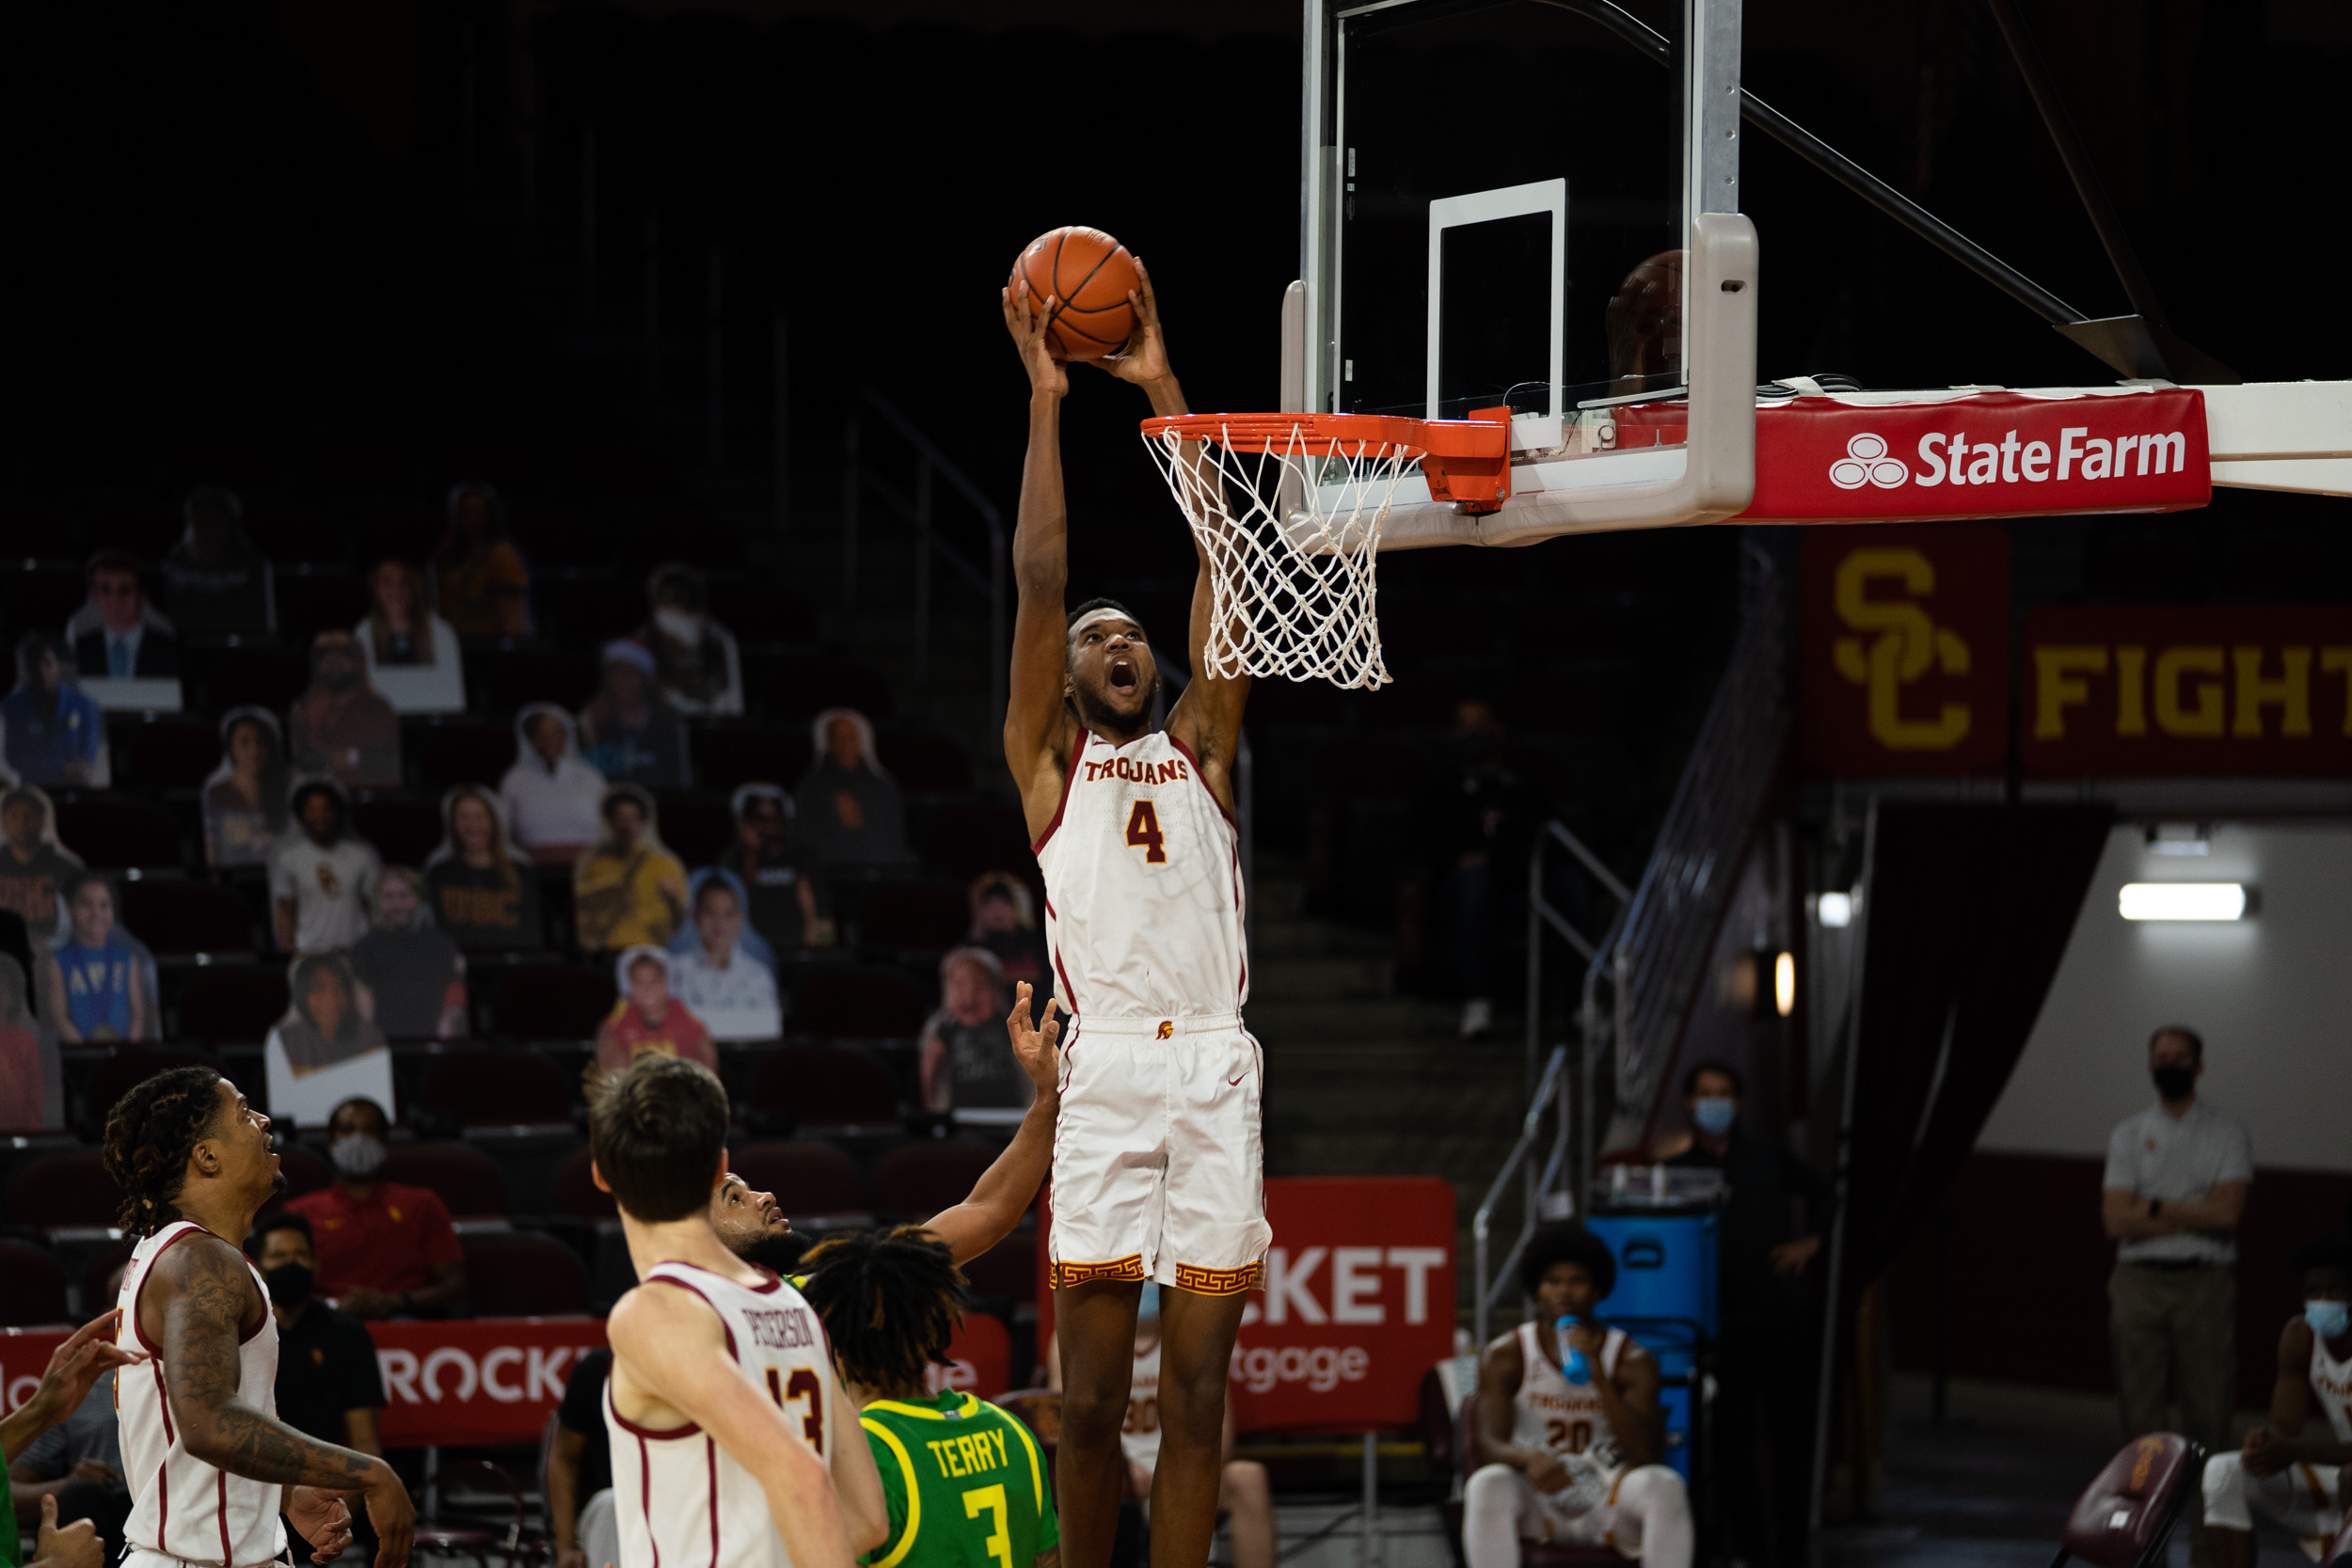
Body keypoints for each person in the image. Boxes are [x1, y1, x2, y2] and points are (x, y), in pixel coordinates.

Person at [1001, 257, 1267, 1568]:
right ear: (1067, 673)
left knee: (1203, 1394)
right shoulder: (1050, 766)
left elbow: (1231, 569)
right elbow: (1039, 580)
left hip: (1213, 1060)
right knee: (1094, 1403)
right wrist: (1050, 398)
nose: (1118, 644)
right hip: (1106, 1070)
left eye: (1132, 635)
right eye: (1095, 637)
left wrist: (1162, 386)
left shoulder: (1204, 741)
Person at [98, 1067, 414, 1568]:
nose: (264, 1121)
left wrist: (284, 1491)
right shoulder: (200, 1261)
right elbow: (208, 1424)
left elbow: (190, 1436)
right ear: (207, 1155)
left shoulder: (178, 1253)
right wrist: (368, 1472)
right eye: (244, 1113)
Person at [588, 1055, 888, 1568]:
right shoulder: (793, 1304)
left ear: (600, 1175)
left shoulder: (653, 1313)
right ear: (720, 1164)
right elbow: (866, 1520)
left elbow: (802, 1478)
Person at [799, 1227, 1061, 1568]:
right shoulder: (1013, 1431)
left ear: (834, 1344)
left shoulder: (865, 1451)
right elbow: (1049, 1561)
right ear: (932, 1330)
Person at [1660, 1060, 1829, 1568]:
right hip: (1722, 1326)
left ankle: (1793, 1551)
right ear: (1689, 1103)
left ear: (1738, 1103)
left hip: (1784, 1317)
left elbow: (1825, 1192)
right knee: (1731, 1447)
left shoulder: (1767, 1155)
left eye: (1724, 1093)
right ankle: (1749, 1552)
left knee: (1790, 1441)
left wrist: (1810, 1241)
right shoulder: (1677, 1172)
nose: (1714, 1103)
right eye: (1705, 1093)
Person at [1465, 1224, 1693, 1568]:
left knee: (1665, 1485)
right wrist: (1527, 1457)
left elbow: (1645, 1455)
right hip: (1540, 1497)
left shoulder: (1632, 1359)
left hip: (1607, 1499)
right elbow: (1489, 1443)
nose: (1564, 1292)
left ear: (1598, 1290)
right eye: (1552, 1281)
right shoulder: (1506, 1354)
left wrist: (1600, 1376)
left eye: (1577, 1281)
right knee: (1487, 1483)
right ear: (1536, 1290)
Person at [2103, 1024, 2252, 1462]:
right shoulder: (2127, 1134)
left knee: (2210, 1410)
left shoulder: (2227, 1133)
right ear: (2150, 1065)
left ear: (2199, 1066)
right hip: (2137, 1282)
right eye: (2161, 1056)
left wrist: (2148, 1207)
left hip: (2204, 1285)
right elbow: (2114, 1220)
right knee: (2138, 1412)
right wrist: (2194, 1214)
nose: (2169, 1064)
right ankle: (2148, 1526)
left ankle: (2209, 1529)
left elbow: (2227, 1215)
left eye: (2180, 1056)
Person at [1042, 1283, 1271, 1568]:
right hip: (1114, 1465)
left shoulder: (1192, 1329)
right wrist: (1126, 1471)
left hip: (1175, 1461)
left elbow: (1220, 1432)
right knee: (1079, 1475)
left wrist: (1172, 1470)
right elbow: (1060, 1423)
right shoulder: (1081, 1330)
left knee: (1248, 1477)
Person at [2203, 1235, 2352, 1568]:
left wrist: (2293, 1450)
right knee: (2222, 1471)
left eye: (2337, 1291)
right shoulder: (2300, 1338)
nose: (2324, 1301)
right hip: (2342, 1479)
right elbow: (2283, 1431)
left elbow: (2294, 1448)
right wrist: (2264, 1444)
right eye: (2314, 1292)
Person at [1415, 700, 1536, 1040]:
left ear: (1499, 730)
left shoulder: (1522, 787)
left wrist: (1496, 858)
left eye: (1482, 724)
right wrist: (1460, 859)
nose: (1475, 734)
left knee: (1569, 884)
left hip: (1520, 879)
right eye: (1466, 727)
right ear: (1453, 735)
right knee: (1474, 884)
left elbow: (1537, 834)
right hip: (1460, 887)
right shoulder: (1439, 789)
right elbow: (1419, 846)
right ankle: (1476, 1001)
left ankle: (1578, 1006)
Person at [285, 1096, 467, 1321]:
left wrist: (397, 1302)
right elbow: (283, 1286)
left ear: (384, 1142)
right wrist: (334, 1305)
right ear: (331, 1145)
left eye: (369, 1129)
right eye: (347, 1129)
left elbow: (454, 1285)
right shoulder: (299, 1212)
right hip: (326, 1321)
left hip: (403, 1319)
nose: (358, 1138)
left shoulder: (422, 1204)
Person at [1, 1308, 150, 1568]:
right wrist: (56, 1565)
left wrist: (42, 1410)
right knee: (82, 1495)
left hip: (174, 1512)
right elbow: (15, 1486)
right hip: (114, 1513)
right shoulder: (94, 1387)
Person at [246, 1213, 386, 1460]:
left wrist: (349, 1496)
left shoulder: (347, 1334)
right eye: (279, 1256)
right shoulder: (240, 1334)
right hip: (252, 1476)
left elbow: (365, 1442)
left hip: (324, 1477)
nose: (292, 1264)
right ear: (257, 1268)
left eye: (301, 1255)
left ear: (316, 1266)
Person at [348, 868, 467, 1041]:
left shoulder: (442, 945)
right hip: (386, 1042)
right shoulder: (366, 948)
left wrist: (446, 1031)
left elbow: (455, 997)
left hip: (432, 1044)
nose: (397, 905)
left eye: (404, 896)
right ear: (379, 901)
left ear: (417, 898)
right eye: (389, 897)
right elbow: (364, 1005)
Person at [421, 786, 542, 949]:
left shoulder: (522, 872)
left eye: (479, 816)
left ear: (494, 822)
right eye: (463, 817)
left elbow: (531, 935)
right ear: (452, 824)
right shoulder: (438, 873)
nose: (472, 825)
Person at [919, 947, 1032, 1120]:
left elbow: (1032, 1077)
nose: (969, 994)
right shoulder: (941, 1029)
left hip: (1011, 1118)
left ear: (996, 991)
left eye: (980, 985)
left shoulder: (1012, 1025)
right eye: (959, 984)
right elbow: (929, 1079)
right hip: (959, 1119)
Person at [666, 874, 782, 1041]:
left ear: (740, 920)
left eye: (728, 914)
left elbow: (768, 1031)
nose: (719, 923)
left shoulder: (758, 974)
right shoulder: (675, 971)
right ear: (695, 916)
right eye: (710, 913)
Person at [572, 784, 688, 952]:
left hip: (651, 954)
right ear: (610, 822)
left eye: (634, 819)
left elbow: (680, 924)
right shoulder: (593, 865)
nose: (627, 826)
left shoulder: (666, 865)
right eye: (621, 818)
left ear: (644, 822)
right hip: (606, 953)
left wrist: (672, 901)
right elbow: (582, 919)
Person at [271, 779, 381, 954]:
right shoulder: (289, 858)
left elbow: (377, 905)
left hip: (357, 950)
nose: (320, 815)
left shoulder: (363, 855)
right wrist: (287, 949)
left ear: (338, 812)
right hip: (309, 951)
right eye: (312, 809)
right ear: (301, 814)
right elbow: (285, 908)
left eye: (327, 808)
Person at [796, 708, 912, 868]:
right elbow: (805, 841)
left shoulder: (883, 787)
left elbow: (892, 840)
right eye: (836, 739)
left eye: (850, 738)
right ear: (826, 743)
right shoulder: (811, 788)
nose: (844, 746)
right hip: (827, 877)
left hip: (877, 876)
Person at [48, 873, 156, 1043]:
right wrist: (86, 1051)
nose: (96, 913)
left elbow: (137, 1013)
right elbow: (59, 1016)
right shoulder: (59, 961)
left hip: (124, 1052)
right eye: (86, 904)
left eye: (104, 905)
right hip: (81, 1054)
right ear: (71, 908)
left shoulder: (128, 958)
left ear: (113, 910)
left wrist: (129, 1051)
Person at [286, 631, 401, 791]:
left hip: (362, 794)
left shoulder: (377, 708)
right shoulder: (303, 708)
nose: (334, 664)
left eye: (342, 657)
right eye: (326, 658)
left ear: (357, 663)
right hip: (315, 796)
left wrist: (351, 757)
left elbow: (392, 761)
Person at [717, 784, 823, 953]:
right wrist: (750, 852)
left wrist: (811, 944)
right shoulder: (734, 858)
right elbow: (736, 898)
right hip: (752, 947)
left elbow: (810, 903)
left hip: (794, 944)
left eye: (773, 820)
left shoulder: (799, 855)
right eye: (759, 820)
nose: (767, 827)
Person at [499, 704, 607, 862]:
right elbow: (502, 831)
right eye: (540, 734)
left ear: (567, 735)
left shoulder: (591, 777)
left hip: (588, 866)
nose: (549, 740)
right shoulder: (513, 780)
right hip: (533, 867)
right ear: (529, 738)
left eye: (556, 733)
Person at [576, 641, 691, 789]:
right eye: (616, 673)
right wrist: (587, 726)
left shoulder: (667, 724)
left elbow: (678, 778)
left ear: (644, 679)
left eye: (630, 673)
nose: (623, 681)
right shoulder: (594, 722)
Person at [354, 559, 464, 714]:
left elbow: (451, 698)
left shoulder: (441, 633)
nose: (396, 590)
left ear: (415, 587)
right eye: (387, 582)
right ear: (375, 587)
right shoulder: (363, 634)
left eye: (404, 582)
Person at [160, 485, 273, 637]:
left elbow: (261, 622)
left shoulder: (253, 563)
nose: (208, 531)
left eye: (215, 522)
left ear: (230, 524)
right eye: (201, 522)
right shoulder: (175, 563)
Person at [2, 635, 109, 790]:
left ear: (58, 665)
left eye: (47, 663)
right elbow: (16, 759)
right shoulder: (12, 707)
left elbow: (84, 765)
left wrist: (42, 766)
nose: (41, 670)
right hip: (34, 793)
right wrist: (63, 768)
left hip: (75, 791)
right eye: (34, 664)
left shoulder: (85, 706)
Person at [639, 563, 743, 716]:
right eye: (667, 593)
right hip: (661, 723)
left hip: (709, 718)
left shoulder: (719, 637)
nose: (675, 597)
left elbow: (733, 700)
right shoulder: (643, 638)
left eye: (680, 592)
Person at [432, 483, 532, 640]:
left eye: (478, 512)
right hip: (454, 645)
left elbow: (513, 617)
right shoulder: (447, 554)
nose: (472, 519)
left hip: (489, 647)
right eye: (466, 512)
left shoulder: (502, 555)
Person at [594, 946, 716, 1072]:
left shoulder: (693, 1027)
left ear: (667, 983)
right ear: (628, 987)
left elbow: (708, 1080)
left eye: (654, 981)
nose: (647, 988)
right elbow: (612, 1080)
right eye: (639, 982)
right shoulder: (613, 1028)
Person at [271, 953, 391, 1075]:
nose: (331, 999)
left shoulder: (370, 1038)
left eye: (339, 987)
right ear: (302, 996)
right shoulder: (284, 1041)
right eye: (318, 989)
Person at [202, 708, 292, 869]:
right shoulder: (215, 792)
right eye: (244, 742)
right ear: (231, 748)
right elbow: (211, 845)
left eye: (260, 742)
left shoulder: (288, 789)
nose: (254, 750)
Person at [69, 552, 180, 681]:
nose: (115, 600)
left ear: (142, 596)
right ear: (94, 596)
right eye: (105, 589)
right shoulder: (79, 650)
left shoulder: (168, 651)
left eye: (125, 590)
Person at [0, 786, 81, 946]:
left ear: (42, 819)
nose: (22, 821)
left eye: (29, 814)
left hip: (56, 956)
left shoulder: (68, 869)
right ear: (4, 821)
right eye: (14, 814)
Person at [968, 871, 1050, 1021]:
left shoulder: (1038, 946)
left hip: (1036, 1025)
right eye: (989, 905)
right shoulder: (970, 952)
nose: (997, 911)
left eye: (1004, 904)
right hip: (991, 1030)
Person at [0, 954, 60, 1130]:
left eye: (1, 990)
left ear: (12, 995)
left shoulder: (24, 1042)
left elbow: (35, 1094)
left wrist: (31, 1129)